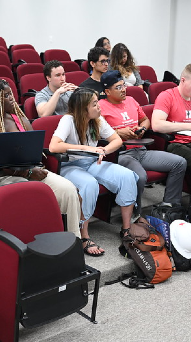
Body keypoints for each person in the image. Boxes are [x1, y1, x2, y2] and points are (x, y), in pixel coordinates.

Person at [0, 79, 82, 239]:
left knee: (67, 189)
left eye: (11, 94)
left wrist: (31, 170)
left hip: (32, 170)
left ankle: (73, 239)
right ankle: (37, 239)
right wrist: (26, 174)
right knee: (32, 193)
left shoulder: (20, 120)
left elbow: (35, 151)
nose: (12, 98)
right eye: (6, 96)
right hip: (4, 177)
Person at [49, 87, 139, 256]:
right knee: (89, 184)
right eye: (95, 104)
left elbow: (117, 140)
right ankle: (84, 236)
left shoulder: (97, 119)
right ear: (84, 108)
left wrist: (103, 150)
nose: (99, 107)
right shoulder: (68, 120)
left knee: (126, 176)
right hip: (71, 166)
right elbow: (54, 146)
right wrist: (86, 148)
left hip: (92, 162)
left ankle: (126, 229)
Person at [99, 70, 187, 216]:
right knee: (139, 176)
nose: (123, 90)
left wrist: (142, 128)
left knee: (179, 163)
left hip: (141, 149)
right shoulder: (100, 106)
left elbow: (145, 120)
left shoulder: (131, 100)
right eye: (118, 87)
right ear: (107, 91)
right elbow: (95, 133)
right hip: (120, 153)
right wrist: (117, 133)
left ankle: (169, 206)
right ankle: (134, 215)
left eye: (123, 85)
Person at [151, 63, 191, 172]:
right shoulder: (167, 96)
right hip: (174, 143)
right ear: (183, 80)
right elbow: (157, 125)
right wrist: (190, 126)